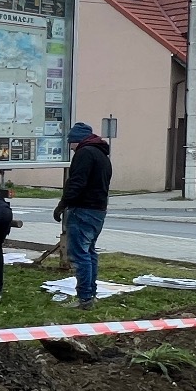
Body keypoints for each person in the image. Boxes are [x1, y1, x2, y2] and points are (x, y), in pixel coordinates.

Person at [53, 122, 112, 307]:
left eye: (70, 142)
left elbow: (77, 182)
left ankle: (84, 298)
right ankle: (90, 294)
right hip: (98, 210)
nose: (69, 147)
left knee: (80, 254)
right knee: (89, 252)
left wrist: (63, 204)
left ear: (76, 140)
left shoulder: (84, 153)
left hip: (83, 209)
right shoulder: (102, 155)